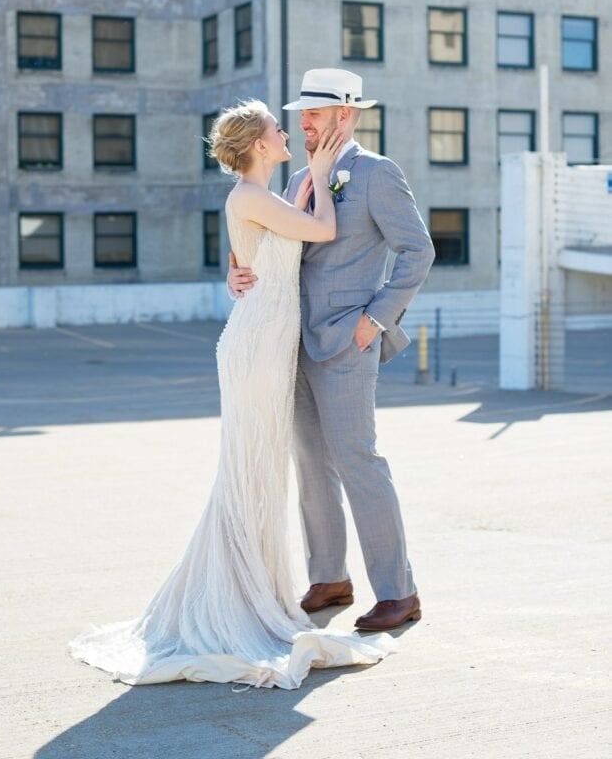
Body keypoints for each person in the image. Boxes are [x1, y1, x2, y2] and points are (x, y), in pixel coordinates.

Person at [69, 99, 395, 690]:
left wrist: (237, 268)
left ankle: (259, 585)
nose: (289, 131)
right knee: (250, 468)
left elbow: (262, 251)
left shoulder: (272, 193)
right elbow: (319, 230)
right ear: (256, 144)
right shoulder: (258, 192)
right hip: (259, 349)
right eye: (278, 127)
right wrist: (320, 179)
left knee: (261, 468)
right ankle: (238, 593)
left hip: (274, 343)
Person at [229, 69, 435, 632]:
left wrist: (375, 319)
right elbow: (278, 249)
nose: (304, 123)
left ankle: (399, 591)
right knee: (311, 465)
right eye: (299, 115)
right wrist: (241, 274)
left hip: (348, 338)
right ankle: (330, 578)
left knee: (357, 462)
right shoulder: (299, 177)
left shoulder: (376, 173)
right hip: (290, 340)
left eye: (313, 114)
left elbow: (418, 252)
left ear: (346, 113)